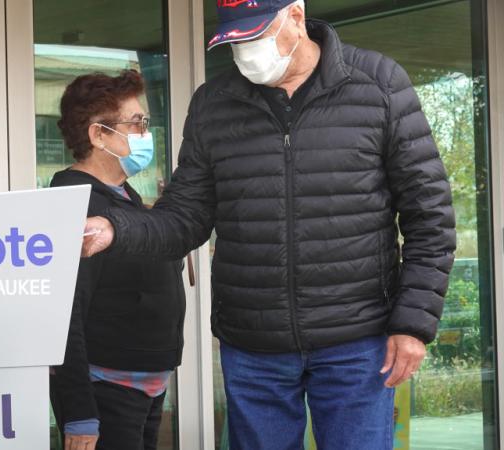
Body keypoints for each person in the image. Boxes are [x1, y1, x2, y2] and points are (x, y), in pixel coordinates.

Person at [82, 1, 456, 449]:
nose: (246, 53)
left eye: (256, 36)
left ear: (296, 17)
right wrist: (115, 229)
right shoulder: (214, 104)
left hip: (357, 339)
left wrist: (412, 323)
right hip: (253, 344)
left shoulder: (377, 84)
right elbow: (184, 217)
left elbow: (429, 215)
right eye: (236, 42)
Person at [49, 70, 185, 450]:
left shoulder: (124, 196)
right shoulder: (76, 206)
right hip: (106, 392)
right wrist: (79, 412)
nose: (145, 133)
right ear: (99, 135)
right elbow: (65, 318)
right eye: (136, 123)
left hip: (144, 389)